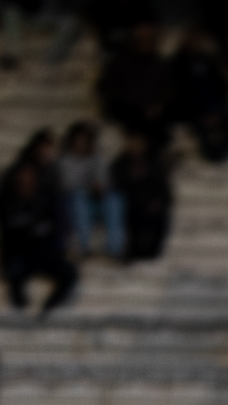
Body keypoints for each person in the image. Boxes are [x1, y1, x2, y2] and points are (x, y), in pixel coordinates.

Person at [0, 159, 78, 312]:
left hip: (46, 253)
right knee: (13, 272)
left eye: (30, 175)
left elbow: (55, 227)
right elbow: (8, 235)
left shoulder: (47, 198)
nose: (26, 179)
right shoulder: (8, 201)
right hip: (20, 255)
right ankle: (22, 308)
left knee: (69, 274)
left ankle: (49, 307)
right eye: (23, 175)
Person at [99, 21, 173, 150]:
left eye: (148, 39)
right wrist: (141, 107)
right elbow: (110, 90)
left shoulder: (159, 63)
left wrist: (158, 105)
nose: (145, 43)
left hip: (155, 117)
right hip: (129, 115)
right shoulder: (120, 63)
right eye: (141, 39)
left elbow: (170, 89)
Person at [170, 28, 228, 163]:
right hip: (194, 112)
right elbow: (180, 96)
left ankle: (220, 156)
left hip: (217, 107)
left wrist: (217, 109)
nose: (196, 43)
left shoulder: (207, 60)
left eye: (198, 40)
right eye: (192, 39)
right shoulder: (177, 63)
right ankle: (214, 157)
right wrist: (201, 115)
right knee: (205, 138)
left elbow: (221, 86)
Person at [58, 120, 125, 258]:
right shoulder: (64, 161)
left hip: (95, 202)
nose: (81, 143)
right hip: (74, 204)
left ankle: (114, 247)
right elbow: (66, 185)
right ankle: (83, 246)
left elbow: (105, 182)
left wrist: (99, 187)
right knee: (79, 196)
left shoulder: (97, 159)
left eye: (84, 140)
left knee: (115, 200)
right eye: (78, 139)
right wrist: (88, 186)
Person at [110, 131, 171, 260]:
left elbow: (163, 188)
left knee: (160, 218)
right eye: (133, 142)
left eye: (139, 143)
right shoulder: (121, 163)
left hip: (151, 205)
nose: (136, 146)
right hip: (130, 206)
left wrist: (157, 202)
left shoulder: (154, 163)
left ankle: (153, 252)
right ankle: (131, 252)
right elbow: (114, 186)